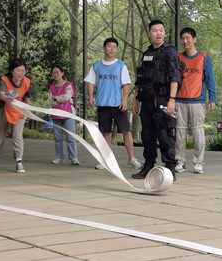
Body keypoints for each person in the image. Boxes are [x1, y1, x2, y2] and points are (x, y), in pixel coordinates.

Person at [132, 19, 182, 179]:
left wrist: (172, 99)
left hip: (163, 99)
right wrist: (135, 98)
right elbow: (141, 78)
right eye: (155, 30)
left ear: (164, 32)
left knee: (164, 134)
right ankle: (148, 166)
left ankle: (170, 168)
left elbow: (175, 77)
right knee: (147, 135)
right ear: (149, 33)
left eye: (161, 30)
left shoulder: (170, 52)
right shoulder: (147, 53)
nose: (158, 33)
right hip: (147, 100)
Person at [84, 37, 141, 170]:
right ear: (104, 48)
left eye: (114, 47)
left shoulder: (121, 65)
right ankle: (107, 161)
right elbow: (90, 82)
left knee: (126, 132)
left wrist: (125, 100)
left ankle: (131, 159)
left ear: (116, 50)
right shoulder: (96, 65)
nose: (111, 49)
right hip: (102, 105)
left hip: (118, 105)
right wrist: (90, 97)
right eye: (109, 46)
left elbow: (125, 84)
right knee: (105, 133)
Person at [175, 27, 216, 174]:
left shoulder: (204, 57)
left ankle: (199, 162)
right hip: (180, 100)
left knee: (198, 133)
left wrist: (212, 98)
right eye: (182, 38)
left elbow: (210, 79)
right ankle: (180, 161)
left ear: (194, 39)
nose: (185, 41)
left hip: (197, 100)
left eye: (188, 38)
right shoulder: (178, 57)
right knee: (179, 133)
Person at [0, 59, 31, 173]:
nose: (21, 73)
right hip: (2, 109)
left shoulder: (26, 81)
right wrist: (8, 98)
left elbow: (27, 97)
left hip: (18, 110)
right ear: (12, 71)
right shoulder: (4, 80)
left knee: (17, 136)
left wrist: (28, 111)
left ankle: (19, 161)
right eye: (18, 70)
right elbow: (2, 94)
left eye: (23, 71)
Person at [49, 65, 79, 166]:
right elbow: (51, 101)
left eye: (57, 72)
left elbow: (67, 96)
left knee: (70, 136)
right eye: (53, 73)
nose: (55, 74)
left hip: (68, 113)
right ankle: (59, 157)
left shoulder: (68, 85)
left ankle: (73, 157)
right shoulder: (52, 87)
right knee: (58, 137)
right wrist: (59, 99)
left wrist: (56, 98)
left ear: (62, 73)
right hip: (56, 114)